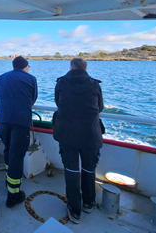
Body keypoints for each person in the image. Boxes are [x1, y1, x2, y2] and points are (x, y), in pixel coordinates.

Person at [53, 58, 104, 224]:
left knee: (72, 171)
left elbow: (57, 102)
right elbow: (100, 107)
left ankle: (74, 209)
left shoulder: (61, 83)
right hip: (90, 134)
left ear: (71, 67)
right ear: (85, 68)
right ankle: (89, 202)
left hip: (67, 134)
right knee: (89, 169)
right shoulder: (94, 85)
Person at [0, 56, 38, 208]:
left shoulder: (1, 78)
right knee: (17, 155)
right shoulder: (31, 79)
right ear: (26, 67)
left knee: (8, 150)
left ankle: (9, 180)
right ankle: (13, 195)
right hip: (20, 121)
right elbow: (32, 99)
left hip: (3, 120)